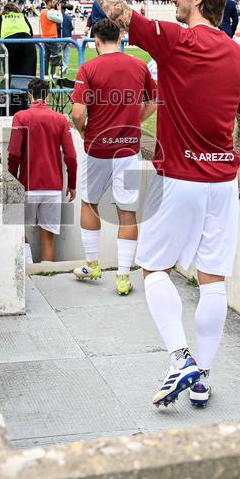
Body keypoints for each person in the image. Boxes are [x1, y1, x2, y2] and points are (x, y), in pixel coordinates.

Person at [82, 0, 240, 409]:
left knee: (154, 268)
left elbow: (117, 12)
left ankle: (180, 358)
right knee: (213, 279)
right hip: (222, 184)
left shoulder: (176, 40)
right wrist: (235, 162)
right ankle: (202, 378)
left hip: (179, 179)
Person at [70, 18, 158, 297]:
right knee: (127, 212)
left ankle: (92, 265)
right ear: (120, 39)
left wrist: (83, 131)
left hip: (97, 147)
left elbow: (77, 113)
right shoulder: (139, 66)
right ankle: (122, 276)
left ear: (96, 41)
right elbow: (153, 101)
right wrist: (136, 120)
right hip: (128, 148)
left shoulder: (88, 68)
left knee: (89, 202)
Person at [7, 77, 78, 263]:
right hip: (53, 187)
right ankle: (46, 274)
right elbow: (71, 157)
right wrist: (72, 184)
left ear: (29, 95)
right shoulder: (60, 119)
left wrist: (11, 181)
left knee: (18, 232)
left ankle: (28, 267)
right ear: (48, 96)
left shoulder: (20, 117)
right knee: (47, 238)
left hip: (28, 185)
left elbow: (14, 154)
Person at [0, 2, 36, 77]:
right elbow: (30, 31)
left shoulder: (1, 17)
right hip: (27, 42)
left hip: (10, 43)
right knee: (28, 72)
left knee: (11, 73)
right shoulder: (22, 16)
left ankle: (11, 83)